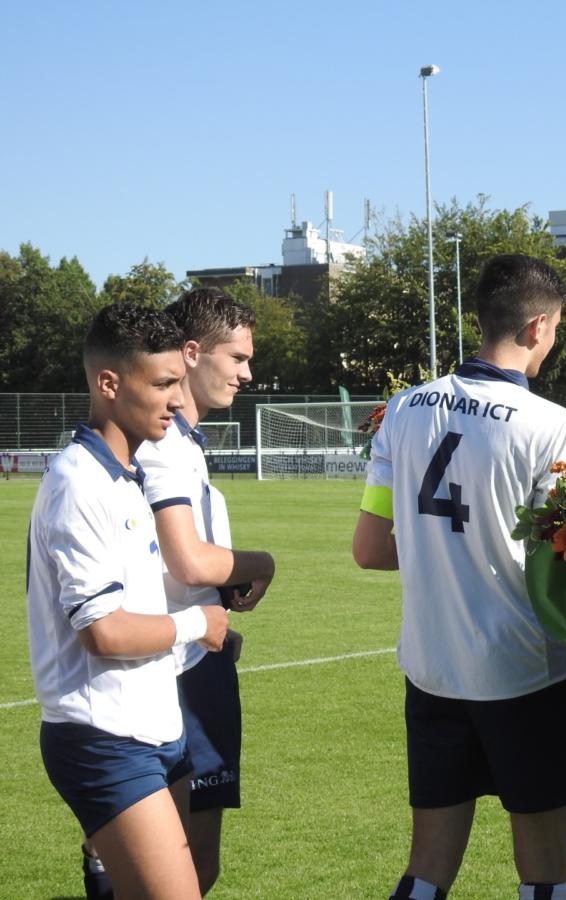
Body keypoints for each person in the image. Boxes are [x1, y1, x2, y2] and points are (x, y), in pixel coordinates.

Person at [353, 254, 566, 900]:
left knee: (426, 872)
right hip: (524, 673)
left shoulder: (402, 410)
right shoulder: (553, 426)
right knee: (543, 873)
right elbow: (561, 564)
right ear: (538, 326)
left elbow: (371, 548)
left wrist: (438, 551)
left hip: (432, 671)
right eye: (558, 328)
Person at [27, 303, 227, 900]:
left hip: (154, 725)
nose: (176, 399)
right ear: (109, 384)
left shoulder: (125, 472)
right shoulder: (77, 482)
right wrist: (197, 622)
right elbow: (104, 633)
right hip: (103, 737)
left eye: (178, 382)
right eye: (163, 383)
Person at [127, 286, 275, 895]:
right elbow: (188, 561)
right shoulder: (165, 444)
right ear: (191, 353)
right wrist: (261, 564)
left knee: (191, 865)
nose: (246, 373)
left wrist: (215, 618)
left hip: (195, 656)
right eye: (236, 358)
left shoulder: (185, 443)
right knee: (174, 868)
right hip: (170, 672)